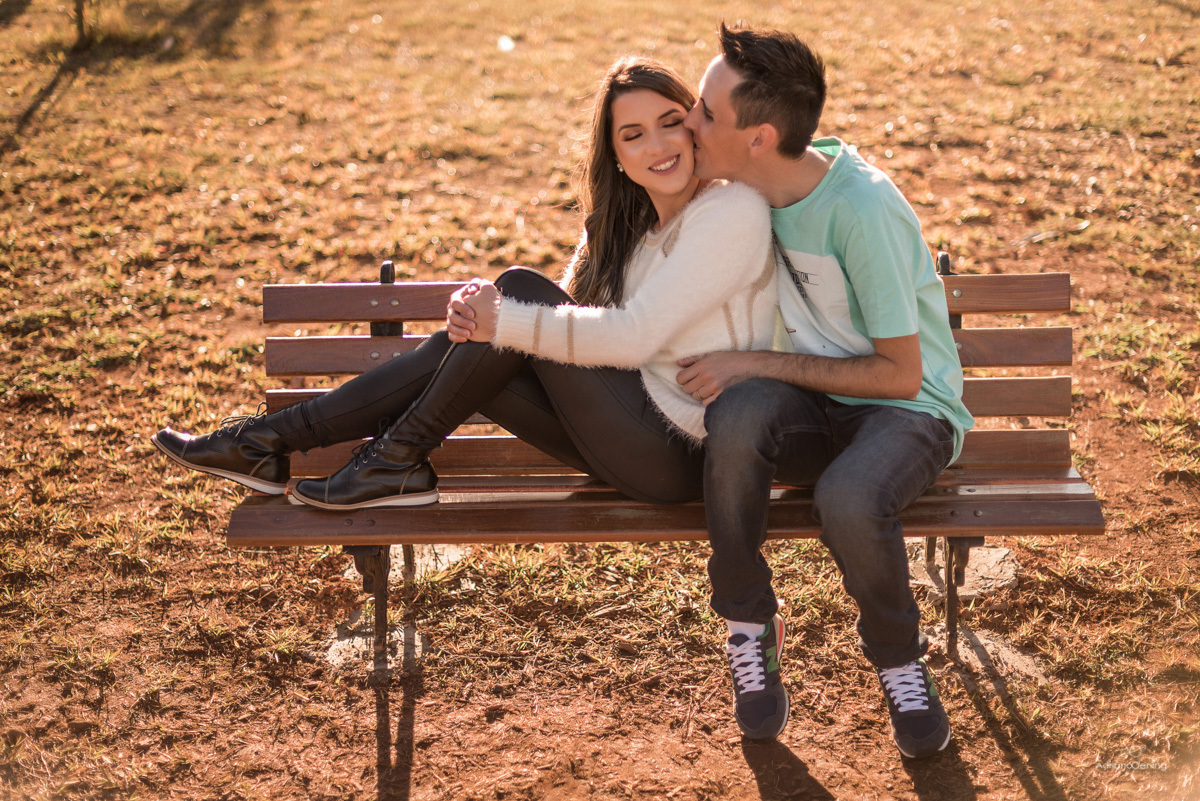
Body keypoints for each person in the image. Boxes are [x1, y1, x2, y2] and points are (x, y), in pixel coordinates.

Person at [152, 58, 778, 524]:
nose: (658, 145)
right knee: (502, 323)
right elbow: (556, 339)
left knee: (513, 299)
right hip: (629, 433)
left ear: (696, 126)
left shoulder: (730, 211)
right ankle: (332, 450)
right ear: (614, 156)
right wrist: (492, 324)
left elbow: (632, 335)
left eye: (671, 122)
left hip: (686, 454)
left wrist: (502, 318)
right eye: (632, 135)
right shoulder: (629, 230)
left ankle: (298, 444)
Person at [669, 24, 975, 757]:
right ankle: (749, 626)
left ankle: (901, 661)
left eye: (707, 112)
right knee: (735, 417)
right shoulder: (746, 191)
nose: (689, 121)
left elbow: (901, 373)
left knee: (846, 495)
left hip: (910, 409)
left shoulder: (858, 209)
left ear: (759, 137)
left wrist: (754, 360)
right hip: (823, 407)